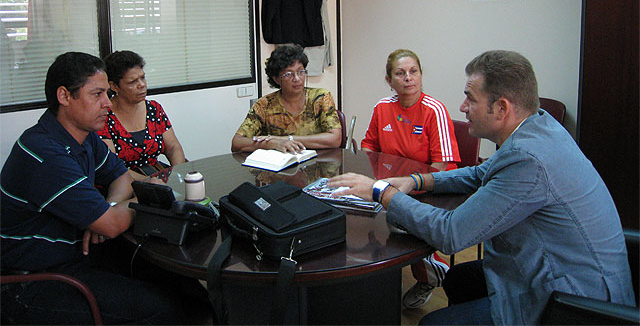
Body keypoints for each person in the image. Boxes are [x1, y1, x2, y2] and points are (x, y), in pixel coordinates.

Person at [329, 50, 635, 325]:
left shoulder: (528, 159)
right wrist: (417, 180)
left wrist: (381, 192)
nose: (462, 107)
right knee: (460, 280)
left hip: (572, 304)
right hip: (565, 271)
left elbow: (450, 234)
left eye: (470, 99)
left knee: (432, 325)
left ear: (501, 108)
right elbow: (479, 173)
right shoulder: (537, 126)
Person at [0, 52, 186, 324]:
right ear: (64, 96)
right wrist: (147, 195)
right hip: (31, 281)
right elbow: (111, 225)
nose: (107, 105)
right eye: (97, 95)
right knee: (163, 309)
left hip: (75, 257)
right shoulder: (45, 152)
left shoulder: (83, 137)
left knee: (179, 283)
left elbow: (121, 177)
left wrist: (106, 209)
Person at [361, 48, 461, 309]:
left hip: (427, 187)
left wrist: (410, 185)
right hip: (388, 185)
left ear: (421, 75)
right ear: (389, 80)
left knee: (399, 223)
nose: (408, 78)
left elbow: (442, 166)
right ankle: (376, 277)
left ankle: (432, 275)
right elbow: (369, 146)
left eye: (413, 71)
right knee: (357, 213)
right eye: (400, 73)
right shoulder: (382, 107)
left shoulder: (434, 110)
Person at [231, 44, 342, 153]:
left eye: (301, 71)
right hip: (280, 167)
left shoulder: (320, 98)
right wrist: (271, 143)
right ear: (277, 79)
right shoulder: (264, 105)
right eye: (289, 74)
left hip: (319, 164)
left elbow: (335, 139)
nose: (297, 78)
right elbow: (237, 143)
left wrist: (287, 139)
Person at [98, 50, 186, 180]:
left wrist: (178, 175)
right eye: (132, 82)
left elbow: (173, 148)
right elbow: (113, 167)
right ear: (114, 86)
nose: (142, 85)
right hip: (122, 183)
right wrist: (150, 183)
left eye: (143, 77)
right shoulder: (104, 116)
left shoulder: (154, 109)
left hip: (156, 176)